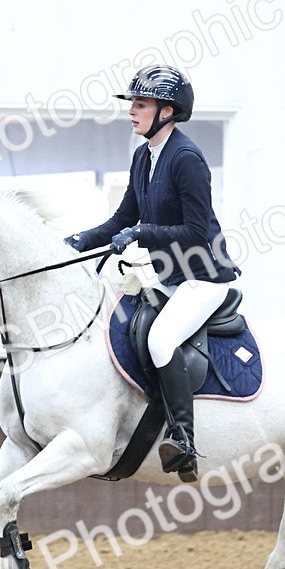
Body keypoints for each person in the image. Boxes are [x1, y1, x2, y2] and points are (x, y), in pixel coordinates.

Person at [65, 64, 239, 482]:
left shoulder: (187, 159)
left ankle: (183, 440)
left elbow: (196, 232)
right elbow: (122, 218)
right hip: (168, 279)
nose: (132, 111)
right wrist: (76, 242)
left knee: (162, 339)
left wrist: (143, 232)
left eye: (140, 104)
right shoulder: (144, 156)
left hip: (203, 278)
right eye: (132, 104)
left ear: (167, 111)